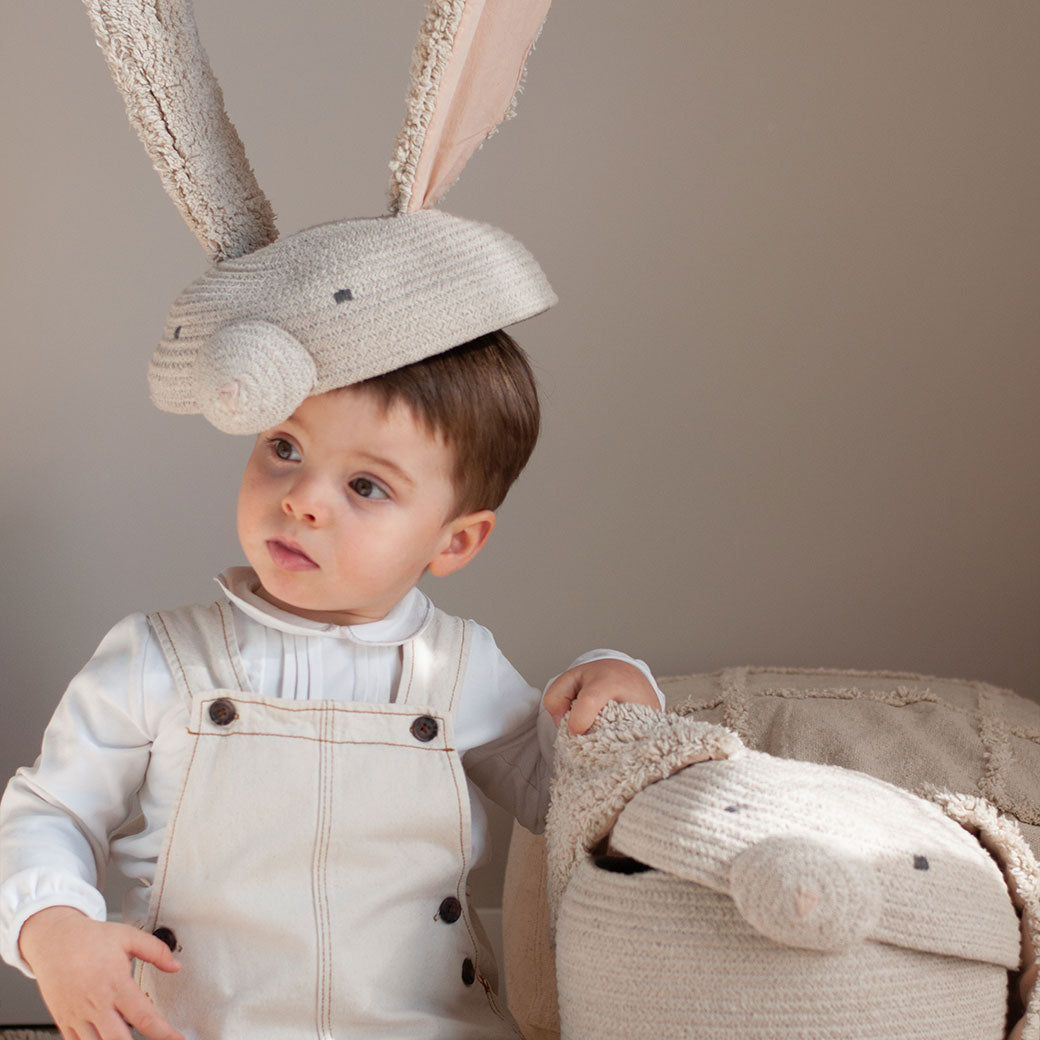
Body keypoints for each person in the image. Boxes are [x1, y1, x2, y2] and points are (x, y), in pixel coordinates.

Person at [0, 329, 662, 1040]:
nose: (304, 499)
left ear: (454, 541)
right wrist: (52, 923)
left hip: (425, 1027)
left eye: (366, 485)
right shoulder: (158, 658)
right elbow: (52, 810)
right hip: (196, 1025)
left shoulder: (460, 668)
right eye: (284, 447)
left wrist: (615, 682)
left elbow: (559, 791)